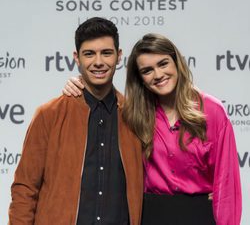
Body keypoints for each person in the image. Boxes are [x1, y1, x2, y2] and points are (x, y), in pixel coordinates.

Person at [63, 33, 242, 225]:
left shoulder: (212, 111)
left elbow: (227, 185)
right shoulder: (133, 114)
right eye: (147, 70)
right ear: (140, 79)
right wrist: (80, 85)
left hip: (198, 215)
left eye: (163, 64)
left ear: (177, 62)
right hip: (150, 215)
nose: (158, 75)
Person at [8, 17, 143, 225]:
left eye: (106, 53)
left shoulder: (135, 117)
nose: (98, 62)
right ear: (76, 58)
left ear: (119, 56)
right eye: (89, 54)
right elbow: (25, 189)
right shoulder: (49, 115)